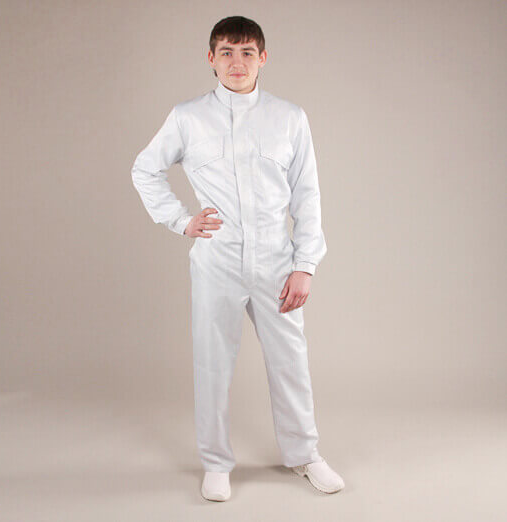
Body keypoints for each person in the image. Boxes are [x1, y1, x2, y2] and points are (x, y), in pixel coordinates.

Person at [131, 15, 345, 501]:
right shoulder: (187, 117)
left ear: (262, 58)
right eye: (226, 52)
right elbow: (145, 169)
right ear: (211, 58)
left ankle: (305, 454)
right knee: (213, 364)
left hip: (276, 259)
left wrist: (305, 265)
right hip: (218, 259)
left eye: (247, 52)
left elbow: (307, 195)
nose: (237, 62)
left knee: (290, 360)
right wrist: (180, 219)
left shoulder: (289, 118)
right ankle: (215, 462)